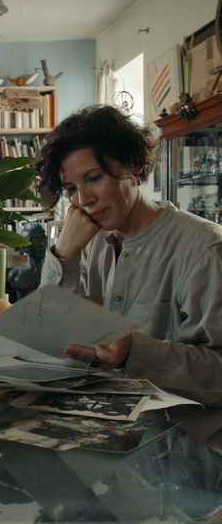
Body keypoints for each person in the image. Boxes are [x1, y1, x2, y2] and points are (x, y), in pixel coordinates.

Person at [34, 105, 222, 406]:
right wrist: (63, 253)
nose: (83, 199)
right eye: (70, 188)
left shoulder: (204, 247)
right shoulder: (88, 242)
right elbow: (47, 334)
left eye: (94, 178)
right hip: (101, 415)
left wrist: (135, 351)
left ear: (134, 166)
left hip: (181, 428)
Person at [7, 222, 47, 301]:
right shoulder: (15, 274)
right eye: (35, 240)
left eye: (44, 239)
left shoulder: (52, 273)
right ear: (24, 247)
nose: (41, 244)